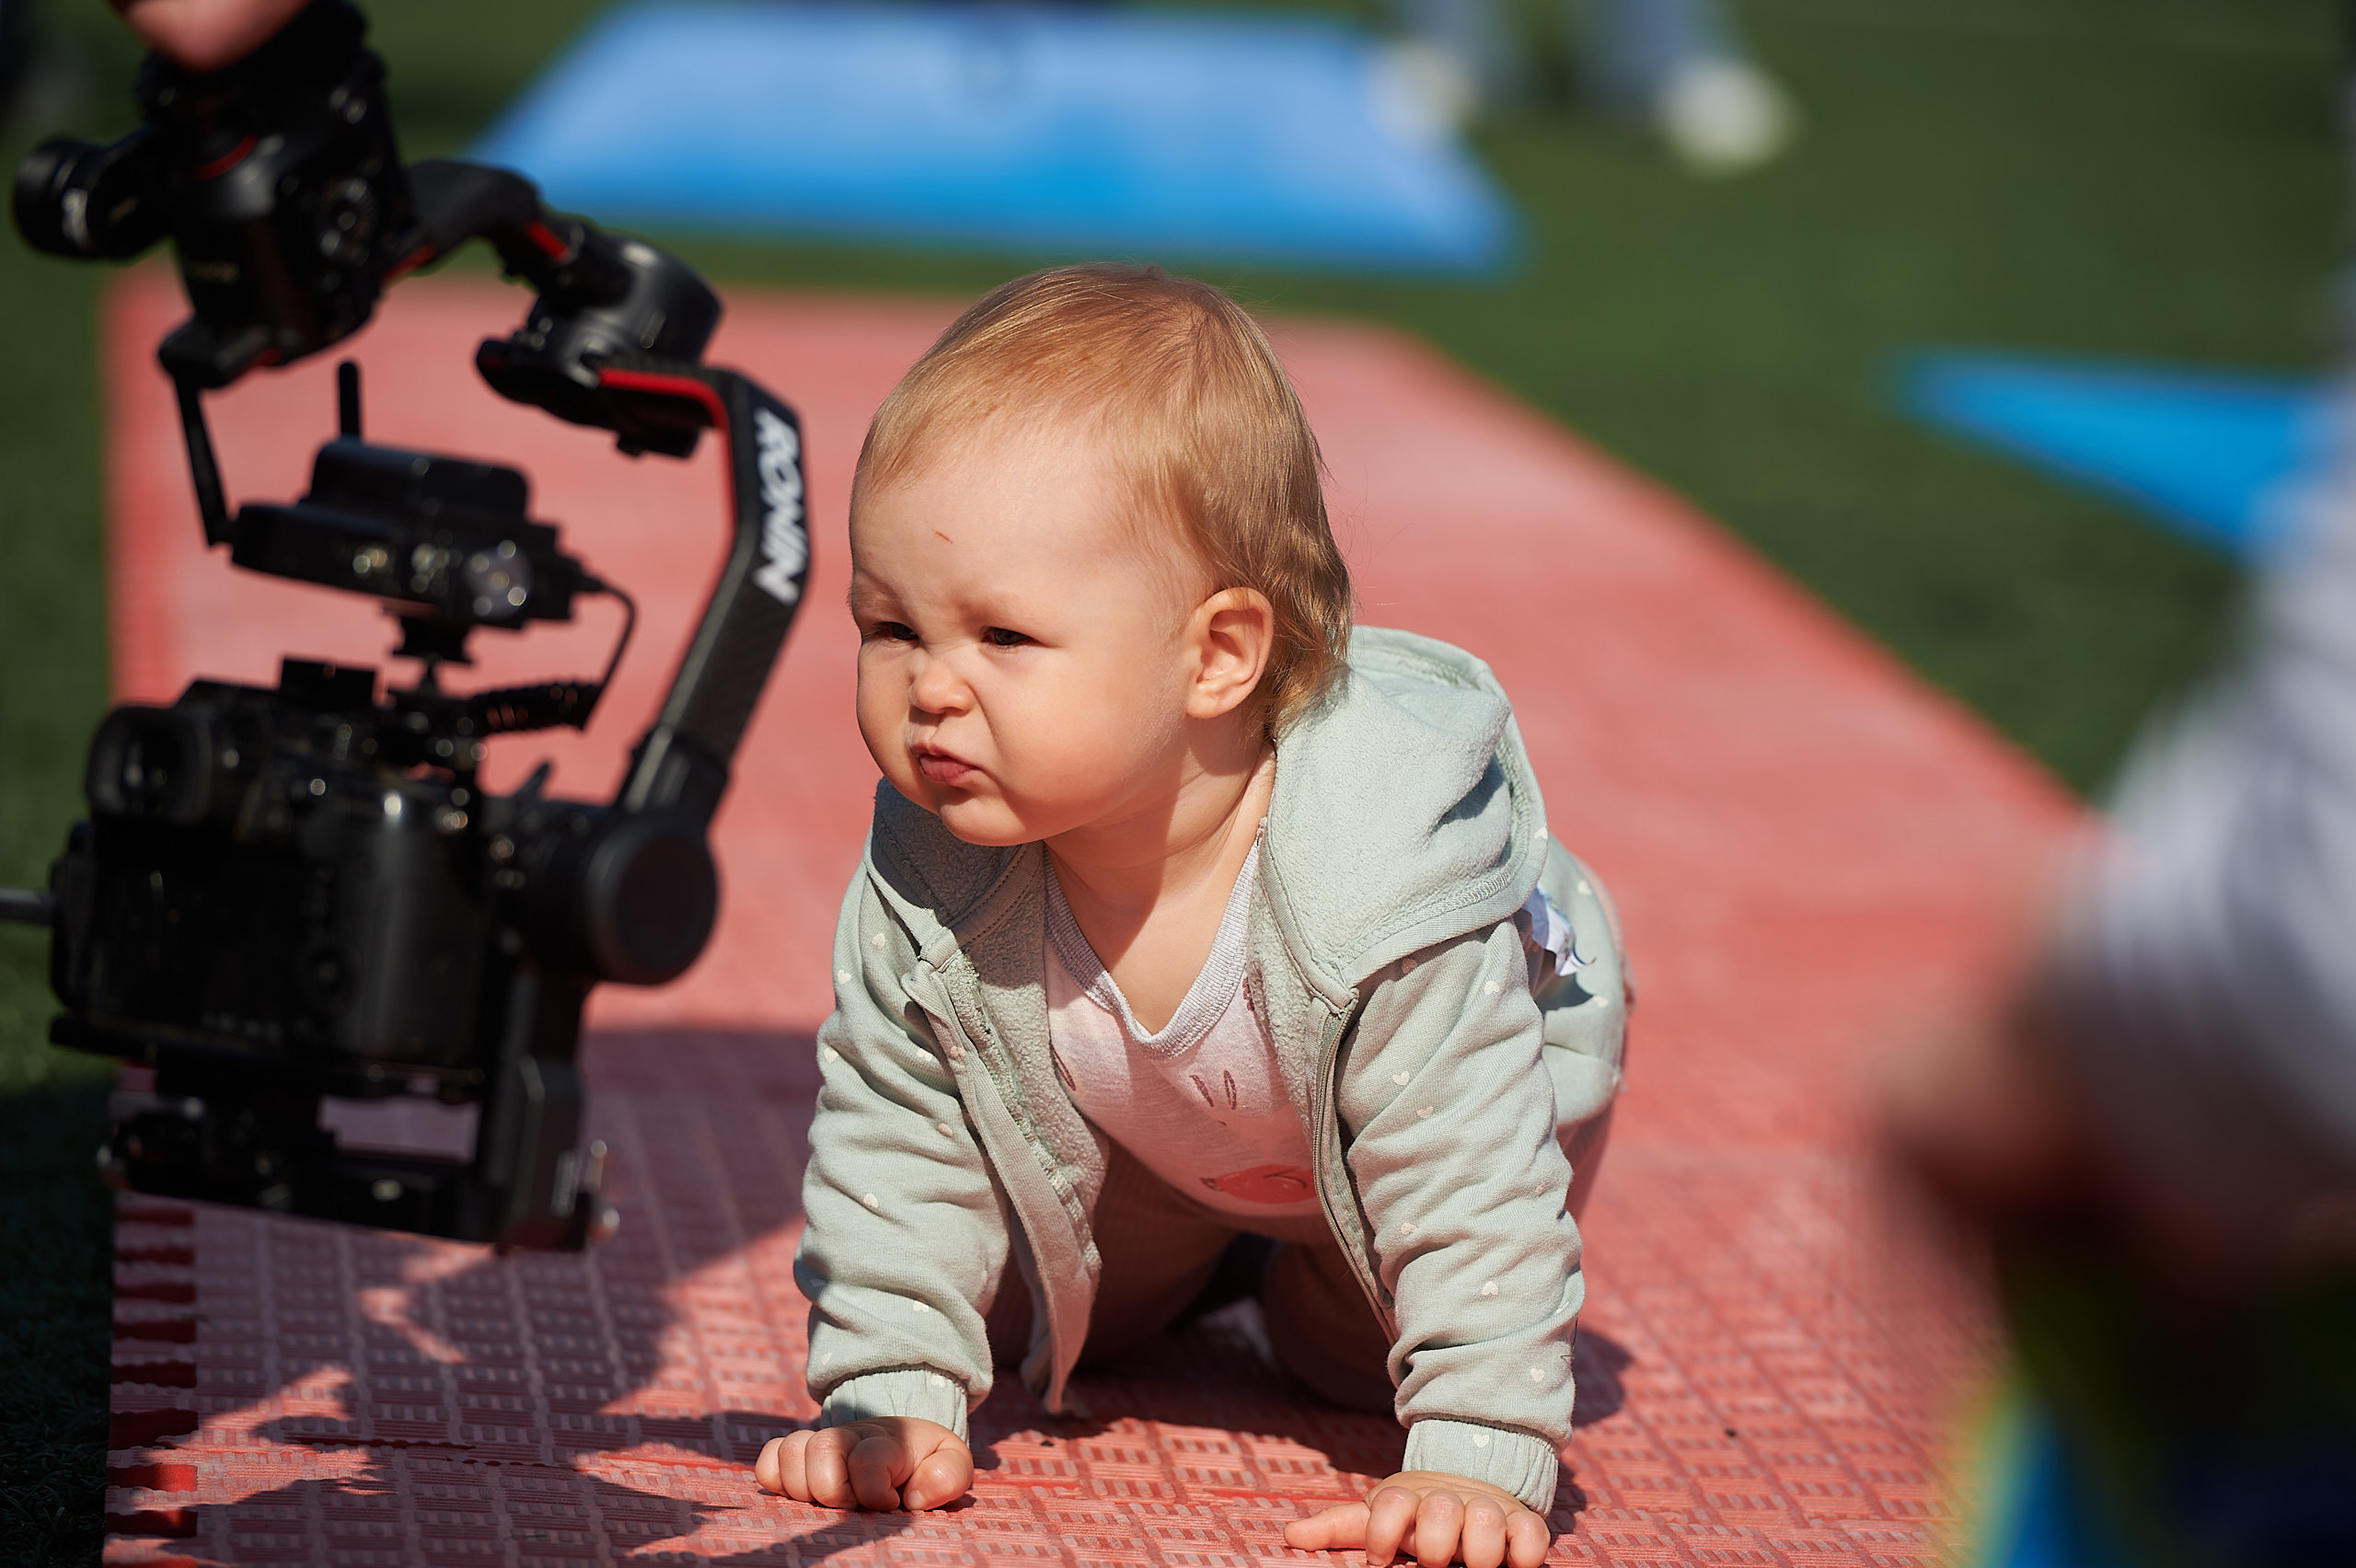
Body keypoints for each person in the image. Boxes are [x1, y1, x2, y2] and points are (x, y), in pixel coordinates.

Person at [755, 264, 1629, 1568]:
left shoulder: (1376, 878)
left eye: (1003, 636)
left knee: (1351, 1375)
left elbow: (1470, 1180)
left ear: (1216, 655)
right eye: (888, 626)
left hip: (1442, 1099)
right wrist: (887, 1392)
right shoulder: (941, 854)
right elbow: (899, 1124)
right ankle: (1202, 1251)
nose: (930, 688)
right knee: (1018, 1335)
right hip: (1162, 1126)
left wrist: (1479, 1457)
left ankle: (1305, 1273)